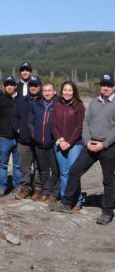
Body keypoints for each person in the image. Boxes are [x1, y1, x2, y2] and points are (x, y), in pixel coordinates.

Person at [50, 74, 115, 225]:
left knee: (108, 180)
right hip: (90, 144)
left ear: (113, 87)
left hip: (108, 147)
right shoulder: (94, 102)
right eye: (103, 85)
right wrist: (87, 142)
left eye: (109, 85)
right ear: (100, 86)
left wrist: (104, 145)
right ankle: (66, 203)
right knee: (74, 171)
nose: (106, 88)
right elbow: (86, 124)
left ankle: (107, 211)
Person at [51, 81, 85, 211]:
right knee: (64, 173)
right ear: (61, 91)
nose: (67, 93)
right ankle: (66, 200)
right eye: (65, 90)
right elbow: (53, 125)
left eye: (70, 90)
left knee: (73, 172)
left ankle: (78, 200)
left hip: (75, 144)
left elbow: (79, 127)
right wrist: (60, 140)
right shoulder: (57, 105)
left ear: (74, 92)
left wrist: (69, 142)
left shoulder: (79, 106)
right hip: (59, 143)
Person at [11, 75, 43, 200]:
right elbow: (14, 116)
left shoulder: (43, 101)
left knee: (39, 166)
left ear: (40, 87)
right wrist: (18, 129)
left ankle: (38, 189)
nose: (33, 87)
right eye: (31, 85)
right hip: (24, 140)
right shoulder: (21, 100)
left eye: (35, 85)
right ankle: (26, 188)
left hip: (40, 141)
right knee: (24, 166)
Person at [28, 82, 59, 204]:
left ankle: (54, 193)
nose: (47, 93)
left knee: (55, 170)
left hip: (53, 144)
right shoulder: (37, 105)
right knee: (43, 170)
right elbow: (30, 122)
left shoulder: (58, 105)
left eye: (49, 90)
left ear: (54, 92)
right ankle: (46, 192)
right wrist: (33, 134)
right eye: (45, 90)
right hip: (39, 143)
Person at [0, 75, 20, 197]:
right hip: (4, 138)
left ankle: (18, 186)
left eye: (11, 84)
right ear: (3, 86)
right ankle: (2, 186)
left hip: (18, 139)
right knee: (3, 164)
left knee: (18, 165)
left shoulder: (21, 100)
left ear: (15, 86)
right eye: (7, 84)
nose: (9, 86)